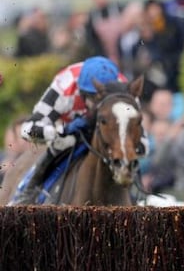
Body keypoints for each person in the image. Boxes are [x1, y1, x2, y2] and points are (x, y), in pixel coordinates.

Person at [12, 56, 126, 204]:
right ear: (82, 93)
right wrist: (58, 133)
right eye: (95, 100)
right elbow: (27, 129)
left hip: (108, 138)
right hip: (69, 136)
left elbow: (141, 138)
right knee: (61, 144)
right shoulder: (64, 86)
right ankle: (26, 193)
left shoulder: (124, 88)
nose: (99, 107)